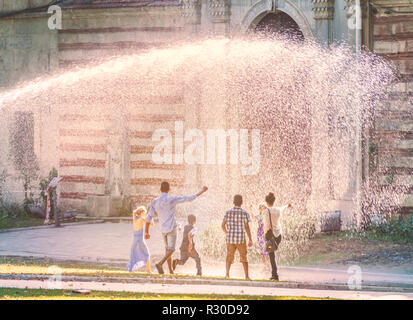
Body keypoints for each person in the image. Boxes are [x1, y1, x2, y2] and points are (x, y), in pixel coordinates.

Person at [145, 182, 208, 275]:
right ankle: (160, 263)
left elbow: (149, 217)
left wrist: (146, 231)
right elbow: (188, 198)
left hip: (162, 229)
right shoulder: (172, 199)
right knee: (171, 250)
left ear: (160, 189)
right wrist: (202, 191)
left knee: (167, 250)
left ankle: (171, 270)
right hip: (171, 228)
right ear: (169, 189)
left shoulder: (155, 201)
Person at [222, 194, 253, 280]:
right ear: (241, 202)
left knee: (229, 256)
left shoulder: (228, 212)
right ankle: (246, 276)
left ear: (234, 202)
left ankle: (227, 274)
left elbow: (222, 225)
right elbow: (246, 227)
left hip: (230, 239)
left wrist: (227, 233)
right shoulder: (244, 213)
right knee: (244, 257)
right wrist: (250, 239)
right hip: (241, 239)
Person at [263, 192, 292, 281]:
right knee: (272, 255)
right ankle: (274, 273)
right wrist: (287, 205)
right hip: (278, 235)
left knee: (271, 255)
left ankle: (275, 275)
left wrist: (265, 232)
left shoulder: (266, 211)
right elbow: (282, 208)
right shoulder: (277, 209)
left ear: (266, 201)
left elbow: (267, 224)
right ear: (273, 201)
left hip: (270, 235)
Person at [127, 206, 154, 273]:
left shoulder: (135, 218)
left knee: (133, 255)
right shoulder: (142, 219)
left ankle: (131, 270)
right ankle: (148, 271)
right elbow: (152, 224)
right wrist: (151, 217)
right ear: (142, 213)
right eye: (145, 212)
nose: (145, 214)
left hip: (134, 241)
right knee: (147, 254)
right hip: (140, 240)